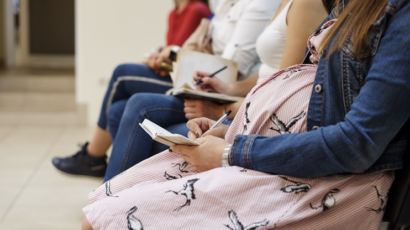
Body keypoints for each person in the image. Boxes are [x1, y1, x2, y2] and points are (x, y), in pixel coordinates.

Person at [81, 0, 410, 229]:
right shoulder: (351, 4)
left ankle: (91, 157)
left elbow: (354, 142)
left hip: (322, 178)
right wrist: (232, 126)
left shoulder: (399, 14)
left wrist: (230, 151)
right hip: (268, 143)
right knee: (98, 207)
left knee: (107, 216)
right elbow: (308, 89)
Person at [102, 0, 330, 182]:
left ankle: (108, 203)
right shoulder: (282, 3)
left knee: (138, 104)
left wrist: (220, 107)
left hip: (260, 116)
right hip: (250, 100)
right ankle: (119, 202)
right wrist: (228, 88)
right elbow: (265, 73)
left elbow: (281, 92)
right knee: (119, 111)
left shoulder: (304, 4)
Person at [53, 0, 280, 178]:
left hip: (218, 90)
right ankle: (117, 197)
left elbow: (231, 64)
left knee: (129, 87)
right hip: (206, 81)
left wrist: (175, 55)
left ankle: (100, 178)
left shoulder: (219, 7)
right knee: (117, 110)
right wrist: (170, 55)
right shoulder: (222, 5)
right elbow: (204, 51)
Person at [51, 0, 211, 177]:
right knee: (116, 110)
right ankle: (110, 172)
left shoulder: (197, 9)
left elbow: (183, 57)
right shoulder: (174, 13)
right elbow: (171, 52)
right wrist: (159, 56)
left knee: (122, 74)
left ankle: (93, 156)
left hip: (188, 80)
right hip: (173, 73)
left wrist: (164, 56)